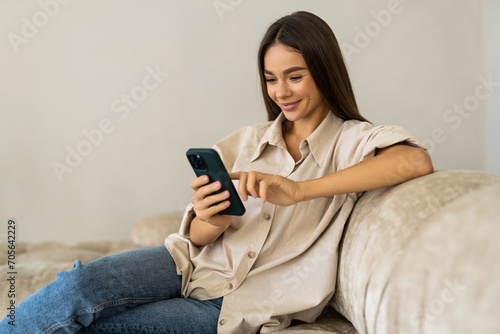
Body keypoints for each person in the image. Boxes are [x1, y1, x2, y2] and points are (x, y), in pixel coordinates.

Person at [1, 10, 433, 334]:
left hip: (233, 304)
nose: (280, 91)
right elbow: (197, 239)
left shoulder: (352, 141)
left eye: (294, 76)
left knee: (109, 329)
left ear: (323, 70)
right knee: (79, 284)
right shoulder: (244, 142)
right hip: (182, 263)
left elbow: (415, 162)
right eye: (270, 79)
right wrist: (210, 218)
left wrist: (299, 190)